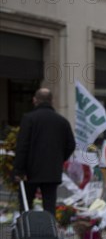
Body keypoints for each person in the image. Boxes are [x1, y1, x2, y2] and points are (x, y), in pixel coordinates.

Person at [13, 88, 76, 216]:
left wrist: (19, 170)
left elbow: (22, 146)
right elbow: (71, 144)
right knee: (49, 206)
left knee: (26, 205)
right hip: (52, 171)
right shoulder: (62, 121)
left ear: (34, 100)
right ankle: (49, 233)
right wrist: (59, 158)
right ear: (52, 101)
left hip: (30, 172)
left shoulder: (29, 118)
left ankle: (28, 232)